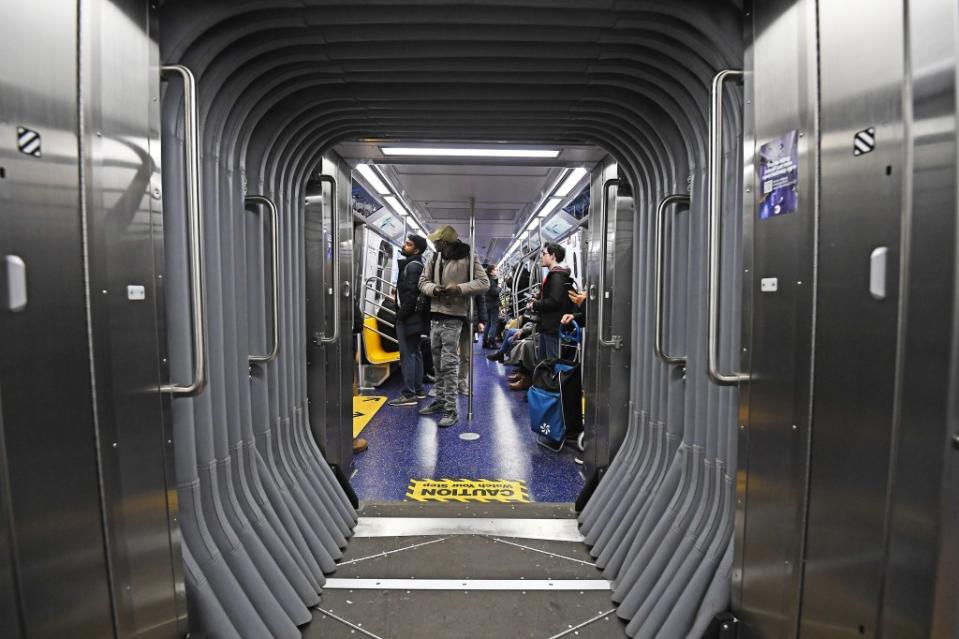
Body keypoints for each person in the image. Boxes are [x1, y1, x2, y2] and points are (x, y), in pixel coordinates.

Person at [417, 224, 489, 427]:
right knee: (438, 363)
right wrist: (434, 289)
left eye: (437, 241)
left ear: (445, 243)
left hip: (454, 316)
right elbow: (422, 281)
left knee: (449, 365)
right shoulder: (435, 257)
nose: (434, 244)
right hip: (435, 315)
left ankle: (451, 410)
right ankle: (440, 401)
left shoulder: (468, 257)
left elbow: (484, 283)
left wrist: (459, 288)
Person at [388, 234, 429, 407]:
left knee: (407, 354)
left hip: (408, 317)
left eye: (408, 244)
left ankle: (409, 394)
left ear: (416, 250)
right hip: (415, 317)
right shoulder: (418, 264)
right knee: (416, 352)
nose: (404, 246)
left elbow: (410, 297)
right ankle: (418, 389)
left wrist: (400, 316)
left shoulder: (412, 267)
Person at [528, 243, 574, 361]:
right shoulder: (554, 275)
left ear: (553, 255)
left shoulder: (557, 276)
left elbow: (554, 301)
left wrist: (535, 304)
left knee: (551, 363)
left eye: (544, 254)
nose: (542, 257)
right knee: (543, 362)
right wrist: (538, 300)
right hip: (547, 325)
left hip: (553, 326)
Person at [482, 265, 501, 348]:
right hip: (493, 305)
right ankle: (492, 341)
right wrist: (499, 286)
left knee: (489, 323)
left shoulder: (487, 279)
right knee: (494, 324)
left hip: (488, 304)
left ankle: (484, 341)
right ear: (491, 271)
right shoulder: (491, 281)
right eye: (495, 270)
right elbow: (495, 292)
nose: (496, 271)